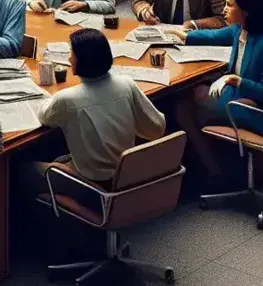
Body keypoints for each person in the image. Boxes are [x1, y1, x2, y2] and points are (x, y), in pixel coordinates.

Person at [162, 0, 263, 179]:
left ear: (246, 10)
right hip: (240, 99)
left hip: (258, 111)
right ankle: (215, 162)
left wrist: (236, 81)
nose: (224, 10)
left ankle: (212, 167)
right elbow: (212, 36)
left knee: (184, 108)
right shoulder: (239, 30)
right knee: (195, 93)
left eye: (229, 5)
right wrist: (184, 35)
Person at [31, 28, 165, 197]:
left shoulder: (67, 99)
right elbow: (157, 128)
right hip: (126, 174)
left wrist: (52, 96)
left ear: (82, 60)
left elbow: (44, 116)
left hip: (92, 185)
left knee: (25, 170)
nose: (69, 58)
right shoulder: (127, 84)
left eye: (72, 53)